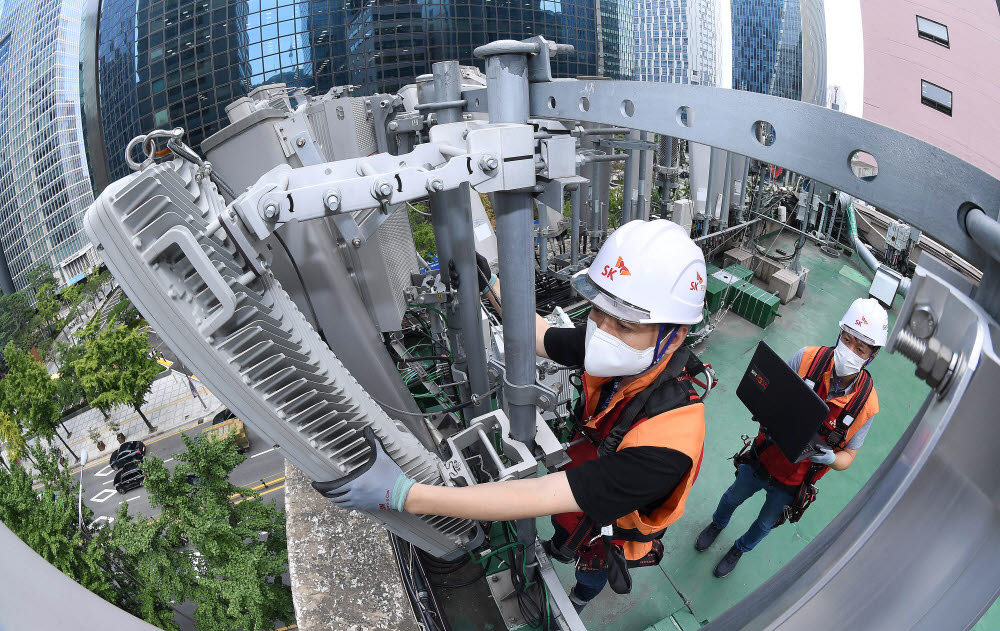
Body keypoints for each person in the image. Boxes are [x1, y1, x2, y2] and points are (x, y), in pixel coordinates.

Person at [312, 219, 709, 611]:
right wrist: (490, 285)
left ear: (674, 334)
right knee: (563, 535)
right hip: (582, 499)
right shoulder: (624, 354)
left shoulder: (665, 445)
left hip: (609, 531)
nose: (602, 331)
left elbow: (536, 494)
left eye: (622, 324)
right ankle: (559, 551)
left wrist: (406, 495)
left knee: (591, 568)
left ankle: (581, 599)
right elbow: (540, 336)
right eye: (597, 311)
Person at [695, 298, 887, 578]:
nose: (849, 351)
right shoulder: (806, 359)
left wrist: (832, 457)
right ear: (839, 334)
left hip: (794, 482)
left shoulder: (865, 405)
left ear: (872, 355)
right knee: (732, 497)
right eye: (846, 340)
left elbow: (848, 457)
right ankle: (717, 524)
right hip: (764, 457)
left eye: (860, 348)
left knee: (763, 525)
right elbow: (770, 391)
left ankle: (739, 548)